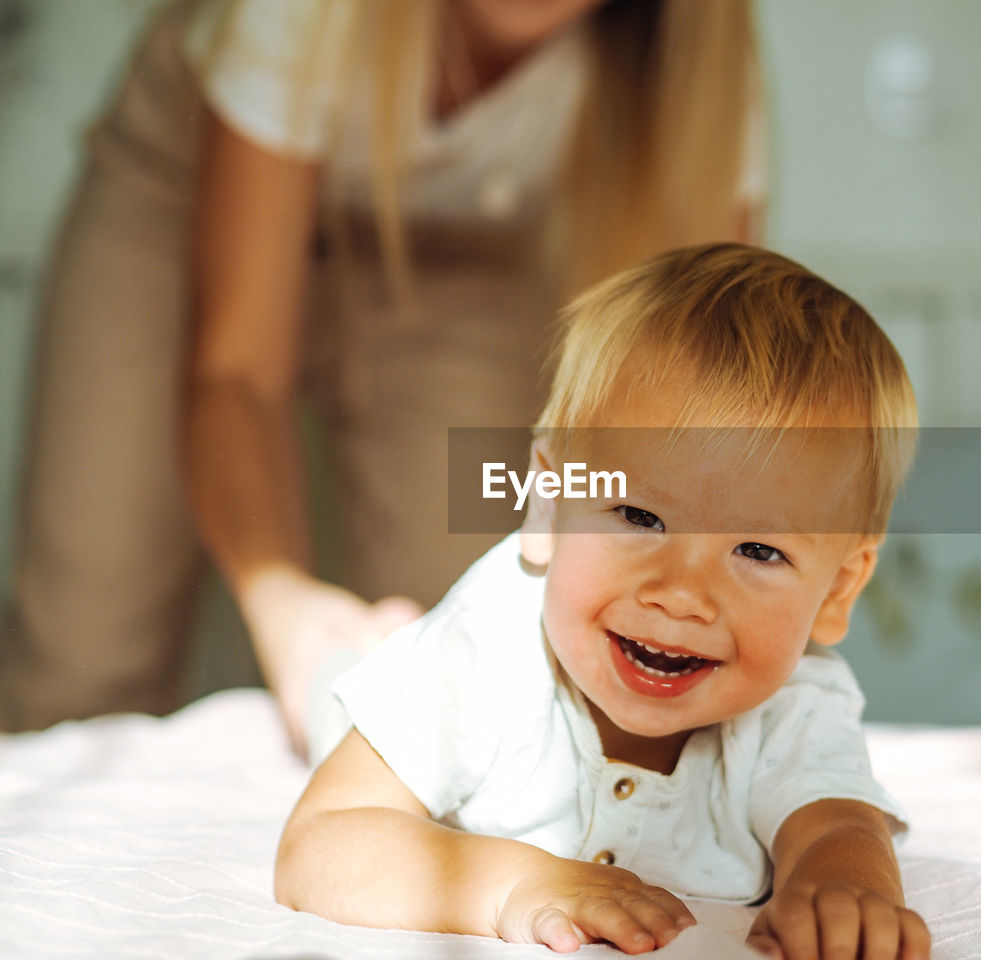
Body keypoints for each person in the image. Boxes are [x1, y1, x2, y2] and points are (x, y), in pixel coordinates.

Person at [0, 0, 761, 750]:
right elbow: (238, 374)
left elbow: (698, 431)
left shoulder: (702, 77)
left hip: (451, 256)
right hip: (176, 202)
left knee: (480, 649)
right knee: (85, 649)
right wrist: (284, 605)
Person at [274, 244, 930, 960]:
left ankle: (382, 633)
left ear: (837, 590)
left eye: (758, 551)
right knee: (330, 693)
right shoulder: (486, 645)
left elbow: (838, 832)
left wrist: (842, 892)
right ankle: (347, 643)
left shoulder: (797, 701)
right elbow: (322, 839)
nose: (682, 596)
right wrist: (515, 883)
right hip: (403, 674)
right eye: (639, 517)